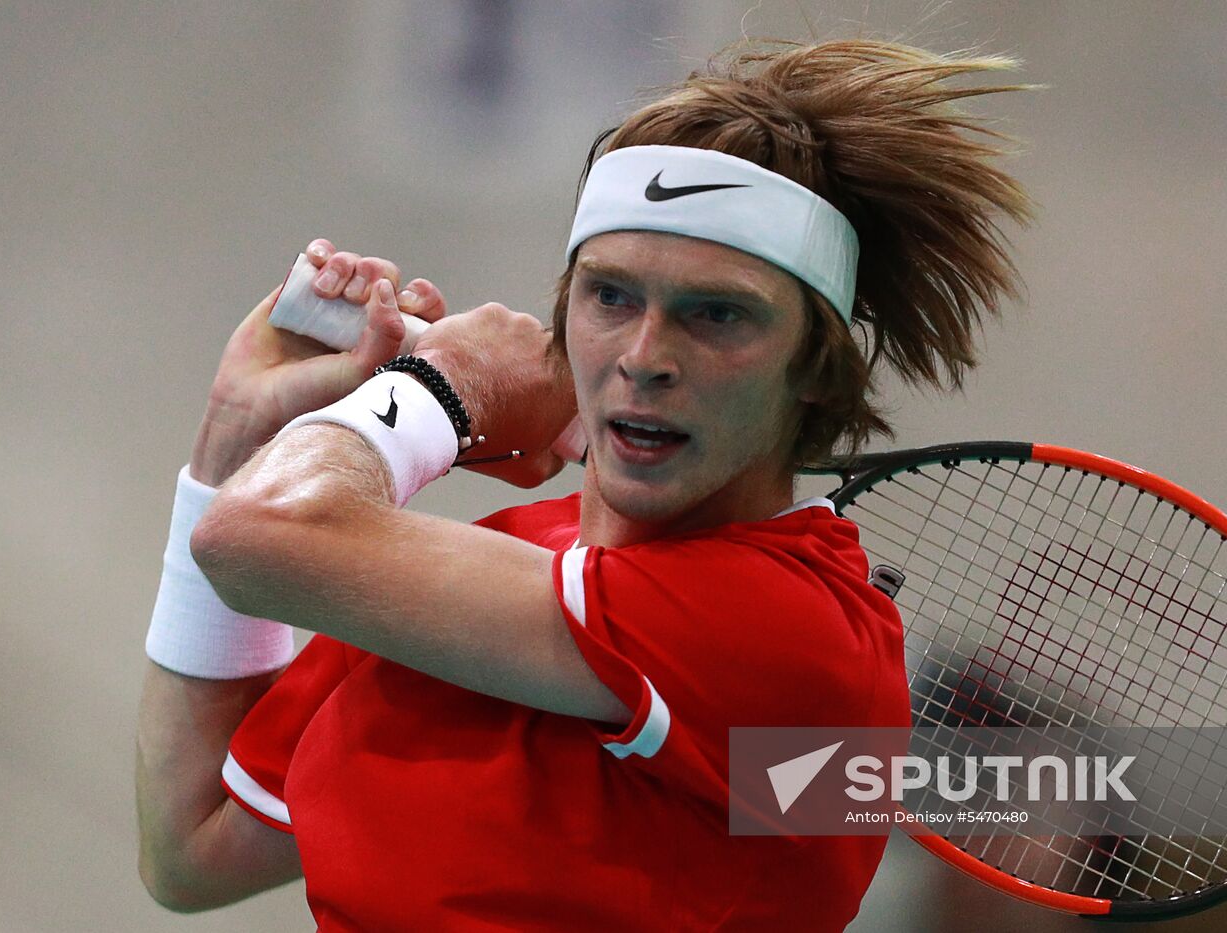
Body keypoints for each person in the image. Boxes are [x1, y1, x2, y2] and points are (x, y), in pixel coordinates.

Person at [136, 38, 1032, 931]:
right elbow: (192, 847)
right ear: (565, 319)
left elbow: (257, 538)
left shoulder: (801, 642)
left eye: (717, 313)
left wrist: (443, 391)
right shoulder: (491, 564)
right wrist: (238, 434)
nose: (645, 358)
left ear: (817, 370)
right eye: (611, 297)